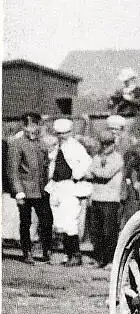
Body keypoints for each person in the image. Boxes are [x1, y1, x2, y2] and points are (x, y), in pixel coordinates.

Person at [6, 112, 53, 263]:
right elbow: (12, 170)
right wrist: (18, 192)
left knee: (47, 221)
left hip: (41, 190)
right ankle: (27, 252)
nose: (32, 129)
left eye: (35, 126)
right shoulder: (17, 144)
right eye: (28, 126)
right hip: (25, 191)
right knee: (25, 223)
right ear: (24, 127)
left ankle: (46, 251)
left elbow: (46, 166)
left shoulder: (41, 144)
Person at [46, 117, 92, 266]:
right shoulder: (56, 146)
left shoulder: (76, 146)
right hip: (56, 186)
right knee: (60, 222)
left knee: (70, 221)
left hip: (70, 186)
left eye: (64, 133)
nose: (61, 136)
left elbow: (86, 162)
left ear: (70, 132)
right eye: (59, 133)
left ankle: (76, 255)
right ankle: (67, 253)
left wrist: (76, 174)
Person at [87, 130, 125, 268]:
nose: (105, 146)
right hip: (97, 197)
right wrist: (93, 171)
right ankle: (99, 258)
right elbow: (88, 172)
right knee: (96, 230)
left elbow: (106, 174)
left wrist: (93, 172)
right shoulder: (97, 157)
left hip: (110, 199)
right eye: (103, 144)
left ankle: (109, 260)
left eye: (108, 144)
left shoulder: (117, 158)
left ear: (113, 144)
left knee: (109, 231)